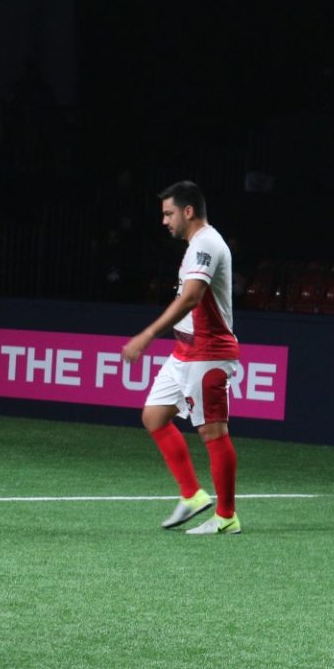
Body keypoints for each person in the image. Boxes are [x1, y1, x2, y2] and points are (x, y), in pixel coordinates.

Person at [120, 181, 242, 536]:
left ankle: (226, 516)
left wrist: (147, 335)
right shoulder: (195, 245)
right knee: (154, 416)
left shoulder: (206, 243)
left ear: (188, 211)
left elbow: (191, 298)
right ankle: (192, 495)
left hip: (208, 352)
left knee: (213, 431)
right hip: (185, 351)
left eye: (168, 213)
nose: (164, 221)